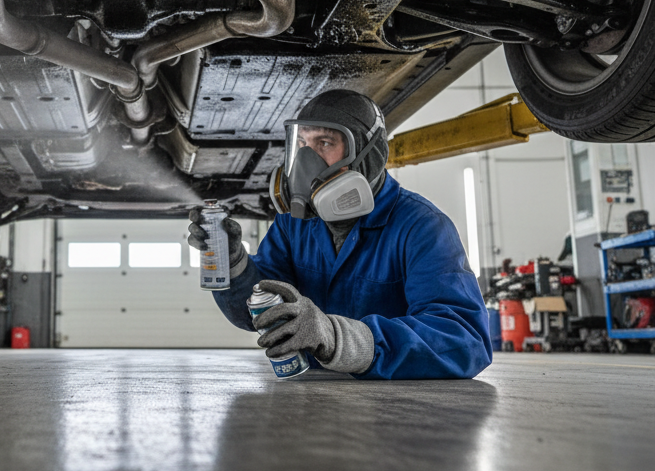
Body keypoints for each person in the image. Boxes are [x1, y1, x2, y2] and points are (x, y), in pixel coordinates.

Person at [188, 89, 491, 379]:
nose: (308, 161)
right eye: (302, 145)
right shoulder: (295, 224)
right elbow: (262, 314)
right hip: (312, 402)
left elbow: (464, 341)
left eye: (325, 143)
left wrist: (340, 339)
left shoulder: (422, 227)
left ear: (368, 155)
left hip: (397, 410)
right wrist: (234, 263)